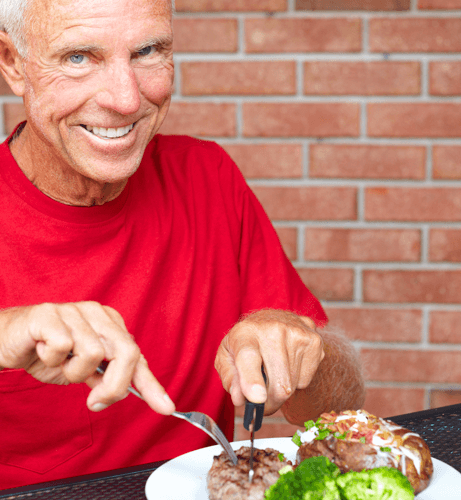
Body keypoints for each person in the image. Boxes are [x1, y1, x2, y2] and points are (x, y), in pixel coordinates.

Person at [0, 0, 365, 490]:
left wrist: (305, 348)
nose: (126, 99)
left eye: (147, 51)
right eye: (79, 58)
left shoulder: (207, 177)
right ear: (12, 63)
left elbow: (333, 409)